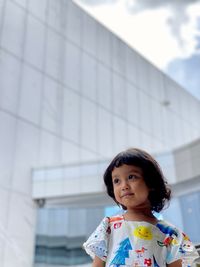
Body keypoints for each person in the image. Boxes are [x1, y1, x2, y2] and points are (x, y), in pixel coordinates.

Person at [83, 148, 198, 267]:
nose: (124, 186)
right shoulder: (108, 227)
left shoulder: (170, 234)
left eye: (131, 177)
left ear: (151, 183)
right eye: (117, 180)